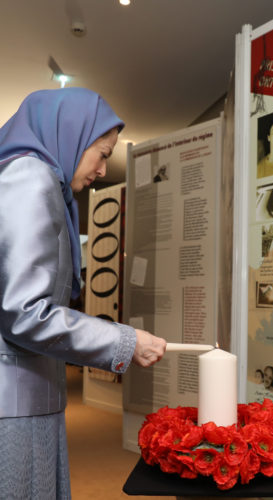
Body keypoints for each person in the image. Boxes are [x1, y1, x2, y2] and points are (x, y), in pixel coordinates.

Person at [0, 88, 167, 498]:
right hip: (14, 403)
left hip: (29, 394)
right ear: (70, 134)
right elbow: (23, 312)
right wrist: (123, 340)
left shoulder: (41, 183)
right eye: (102, 153)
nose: (103, 168)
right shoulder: (29, 177)